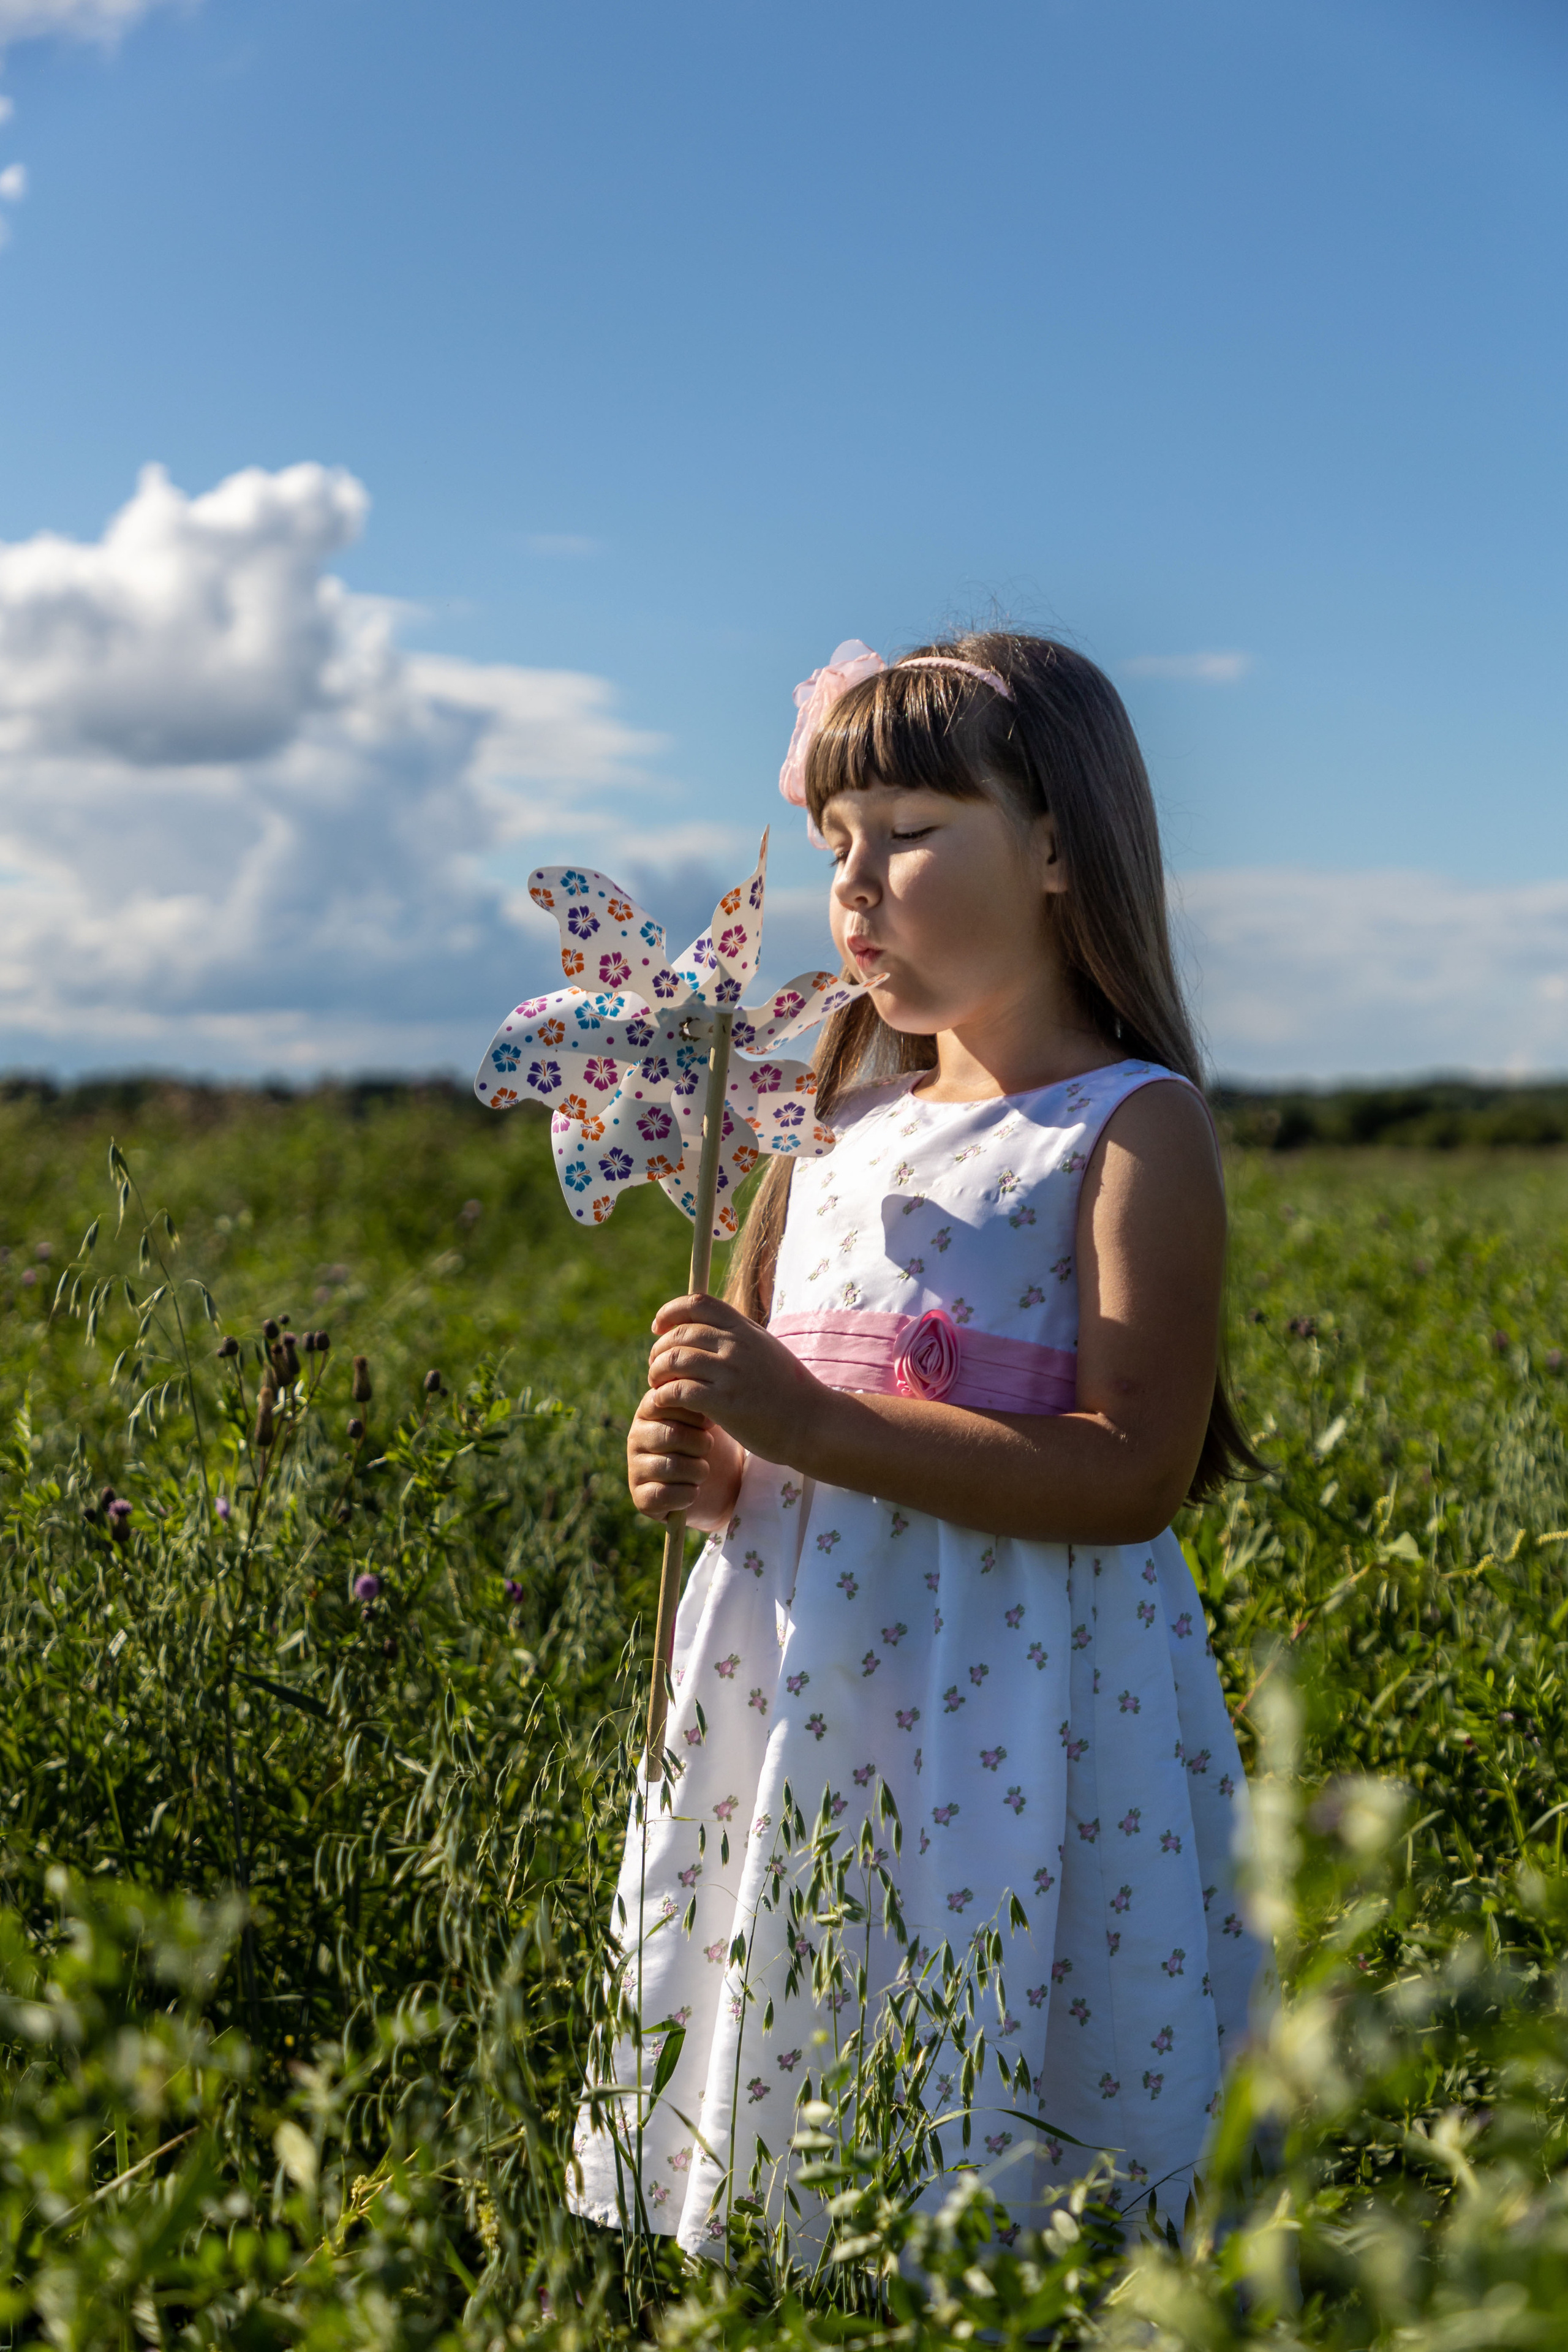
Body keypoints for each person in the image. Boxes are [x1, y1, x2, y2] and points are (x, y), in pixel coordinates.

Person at [568, 631, 1264, 2256]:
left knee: (1008, 2032)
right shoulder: (820, 1139)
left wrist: (810, 1418)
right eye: (834, 843)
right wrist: (711, 1469)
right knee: (802, 2005)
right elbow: (762, 1453)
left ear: (1057, 846)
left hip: (1017, 1705)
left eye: (909, 828)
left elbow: (1132, 1474)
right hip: (803, 1691)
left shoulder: (1123, 1127)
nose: (857, 883)